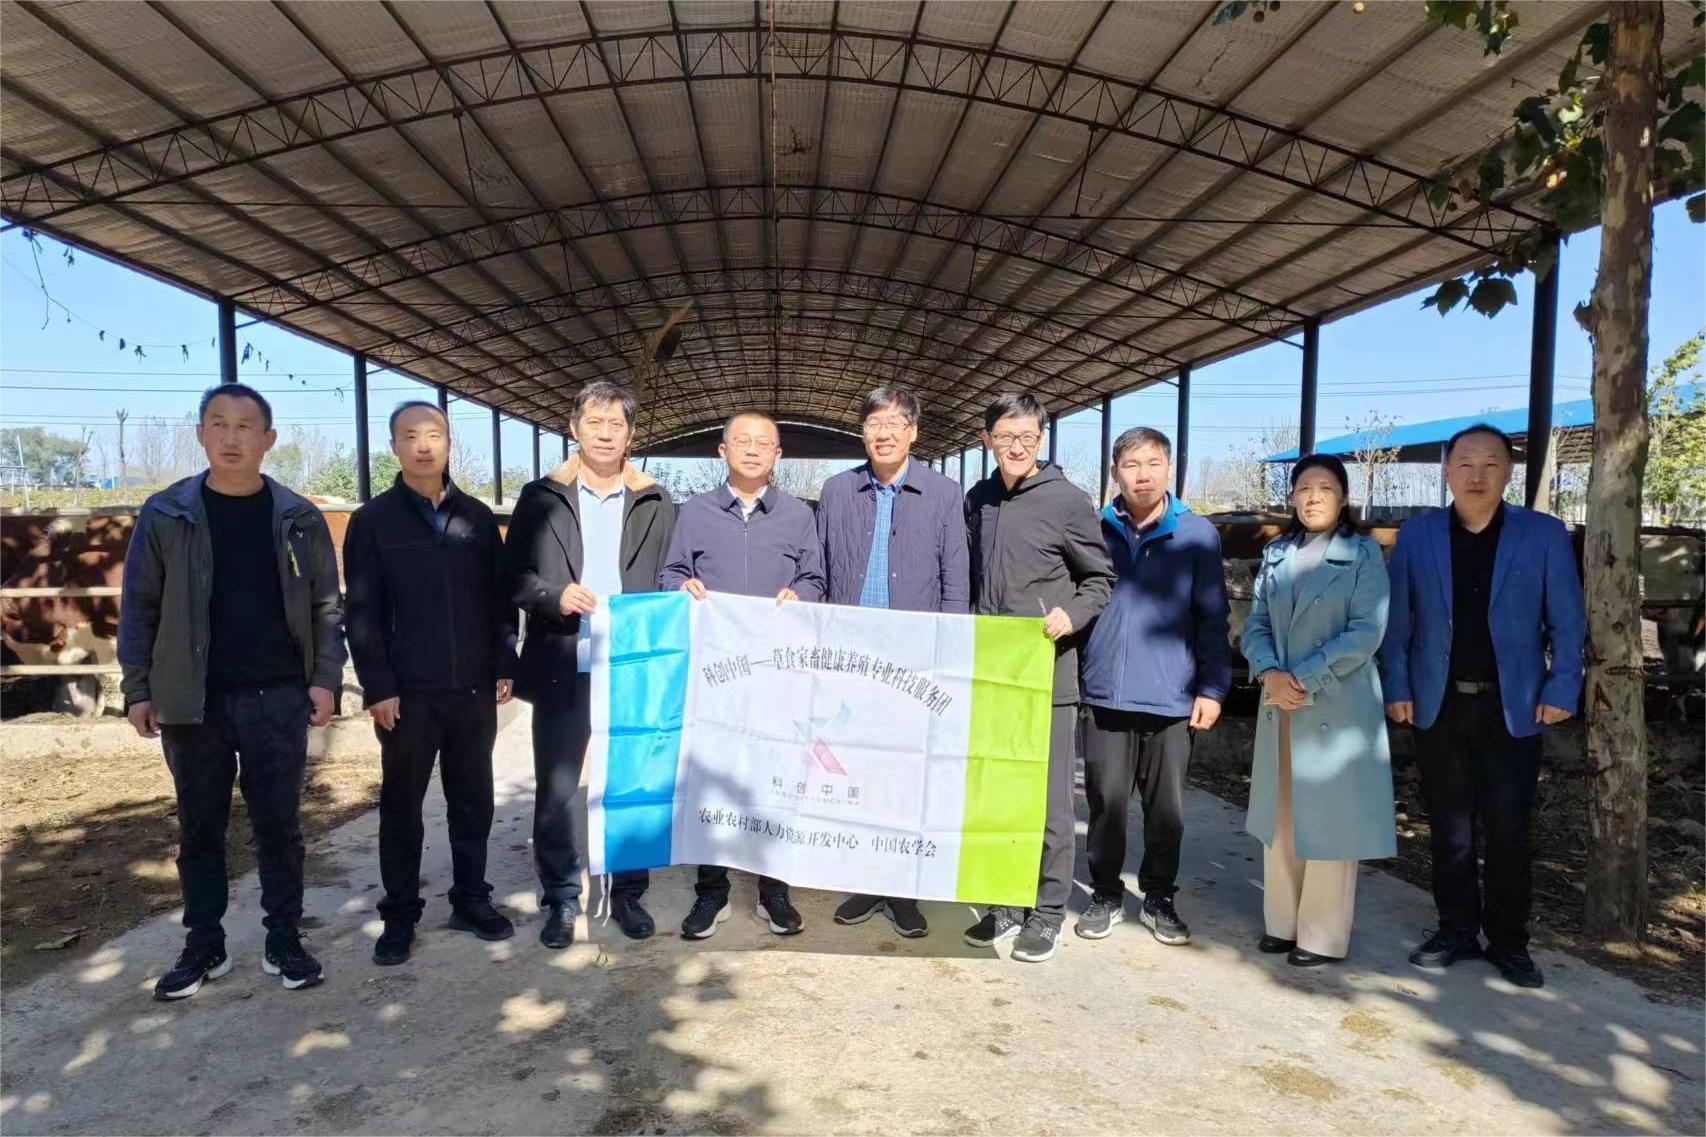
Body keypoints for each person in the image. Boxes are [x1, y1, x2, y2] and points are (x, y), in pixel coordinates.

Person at [118, 384, 344, 999]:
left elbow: (327, 607)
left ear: (268, 439)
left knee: (280, 826)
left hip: (278, 697)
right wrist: (139, 689)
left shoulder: (298, 517)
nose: (231, 437)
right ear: (200, 434)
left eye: (246, 426)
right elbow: (139, 606)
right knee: (199, 828)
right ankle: (204, 944)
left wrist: (325, 680)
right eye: (218, 424)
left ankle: (284, 938)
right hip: (193, 701)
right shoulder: (167, 513)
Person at [1380, 424, 1585, 989]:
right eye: (1465, 464)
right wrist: (1396, 686)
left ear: (1508, 473)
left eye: (1490, 464)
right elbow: (1397, 623)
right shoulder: (1418, 536)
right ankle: (1456, 930)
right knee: (1449, 826)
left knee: (1509, 826)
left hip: (1514, 706)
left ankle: (1510, 942)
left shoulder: (1543, 535)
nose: (1477, 475)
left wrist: (1562, 687)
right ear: (1447, 472)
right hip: (1439, 702)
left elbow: (1568, 621)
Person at [344, 401, 519, 966]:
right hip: (407, 695)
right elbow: (362, 611)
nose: (423, 446)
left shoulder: (476, 518)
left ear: (449, 443)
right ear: (393, 446)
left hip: (471, 689)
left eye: (434, 434)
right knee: (403, 806)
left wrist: (503, 662)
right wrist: (378, 685)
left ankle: (471, 898)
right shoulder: (374, 521)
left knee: (473, 800)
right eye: (410, 436)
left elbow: (499, 598)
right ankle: (399, 914)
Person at [505, 381, 676, 947]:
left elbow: (671, 575)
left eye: (616, 424)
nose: (605, 434)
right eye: (595, 422)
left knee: (630, 781)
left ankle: (627, 892)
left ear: (631, 434)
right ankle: (560, 897)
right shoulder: (541, 497)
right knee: (557, 788)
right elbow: (513, 577)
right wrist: (554, 596)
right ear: (573, 427)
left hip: (632, 663)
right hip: (564, 658)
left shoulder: (655, 500)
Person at [660, 411, 826, 940]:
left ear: (778, 455)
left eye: (763, 443)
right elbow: (671, 573)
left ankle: (775, 889)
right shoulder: (695, 513)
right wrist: (681, 587)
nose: (752, 450)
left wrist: (801, 595)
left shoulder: (799, 515)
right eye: (742, 441)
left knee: (776, 776)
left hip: (780, 674)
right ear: (722, 450)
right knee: (714, 777)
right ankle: (712, 890)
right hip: (717, 674)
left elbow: (816, 577)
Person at [962, 393, 1114, 963]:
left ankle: (1047, 912)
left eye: (1027, 436)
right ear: (987, 440)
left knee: (1050, 802)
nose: (1016, 446)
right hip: (993, 672)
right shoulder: (978, 499)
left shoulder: (1067, 501)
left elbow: (1100, 579)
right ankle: (1006, 901)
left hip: (1048, 671)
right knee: (999, 794)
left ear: (1041, 439)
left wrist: (1070, 614)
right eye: (1005, 436)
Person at [817, 387, 970, 940]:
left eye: (894, 423)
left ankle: (904, 889)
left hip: (914, 662)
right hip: (852, 659)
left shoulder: (943, 494)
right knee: (859, 770)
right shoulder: (837, 490)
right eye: (873, 423)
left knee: (908, 774)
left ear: (913, 433)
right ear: (862, 432)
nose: (883, 433)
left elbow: (956, 581)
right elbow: (819, 570)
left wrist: (947, 654)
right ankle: (866, 880)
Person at [1076, 427, 1230, 946]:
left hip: (1172, 696)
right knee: (1106, 801)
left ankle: (1159, 896)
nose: (1142, 475)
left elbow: (1212, 616)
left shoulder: (1196, 534)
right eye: (1131, 464)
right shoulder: (1093, 529)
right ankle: (1105, 893)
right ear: (1114, 472)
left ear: (1169, 469)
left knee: (1166, 809)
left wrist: (1212, 688)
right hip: (1105, 692)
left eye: (1153, 463)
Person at [1240, 454, 1394, 968]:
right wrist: (1268, 671)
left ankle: (1322, 936)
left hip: (1336, 702)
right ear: (1292, 497)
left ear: (1343, 498)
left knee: (1331, 818)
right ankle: (1281, 923)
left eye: (1325, 488)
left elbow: (1366, 631)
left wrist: (1302, 677)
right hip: (1280, 699)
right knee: (1281, 812)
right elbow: (1257, 623)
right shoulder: (1277, 553)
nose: (1313, 497)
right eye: (1304, 488)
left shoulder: (1362, 554)